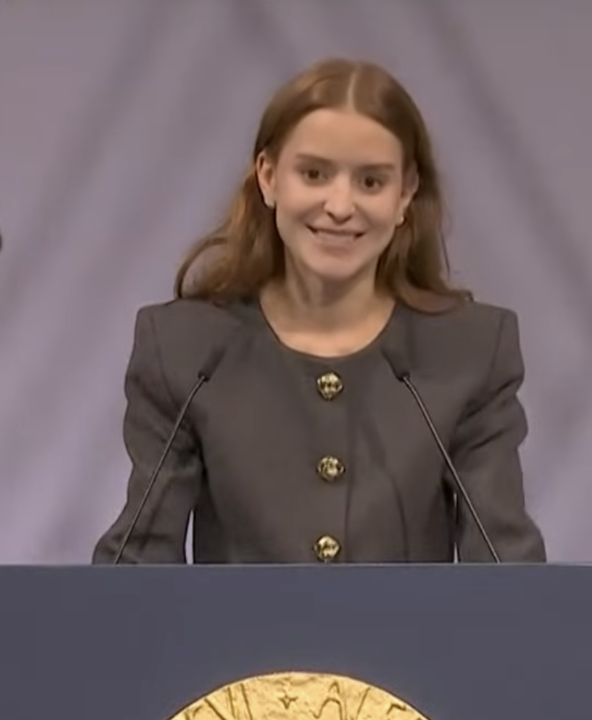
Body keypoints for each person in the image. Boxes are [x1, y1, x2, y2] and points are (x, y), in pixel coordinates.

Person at [91, 58, 546, 565]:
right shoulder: (186, 350)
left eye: (371, 182)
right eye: (314, 174)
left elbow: (507, 570)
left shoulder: (469, 352)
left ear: (406, 194)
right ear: (268, 177)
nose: (340, 206)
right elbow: (137, 566)